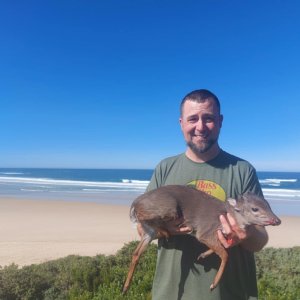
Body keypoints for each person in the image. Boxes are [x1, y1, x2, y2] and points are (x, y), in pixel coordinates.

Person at [144, 89, 268, 300]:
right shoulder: (165, 168)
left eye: (208, 118)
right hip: (172, 293)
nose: (200, 127)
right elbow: (142, 228)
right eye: (193, 119)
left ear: (220, 121)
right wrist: (166, 227)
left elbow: (260, 240)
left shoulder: (242, 170)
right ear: (181, 123)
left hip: (231, 294)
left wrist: (244, 234)